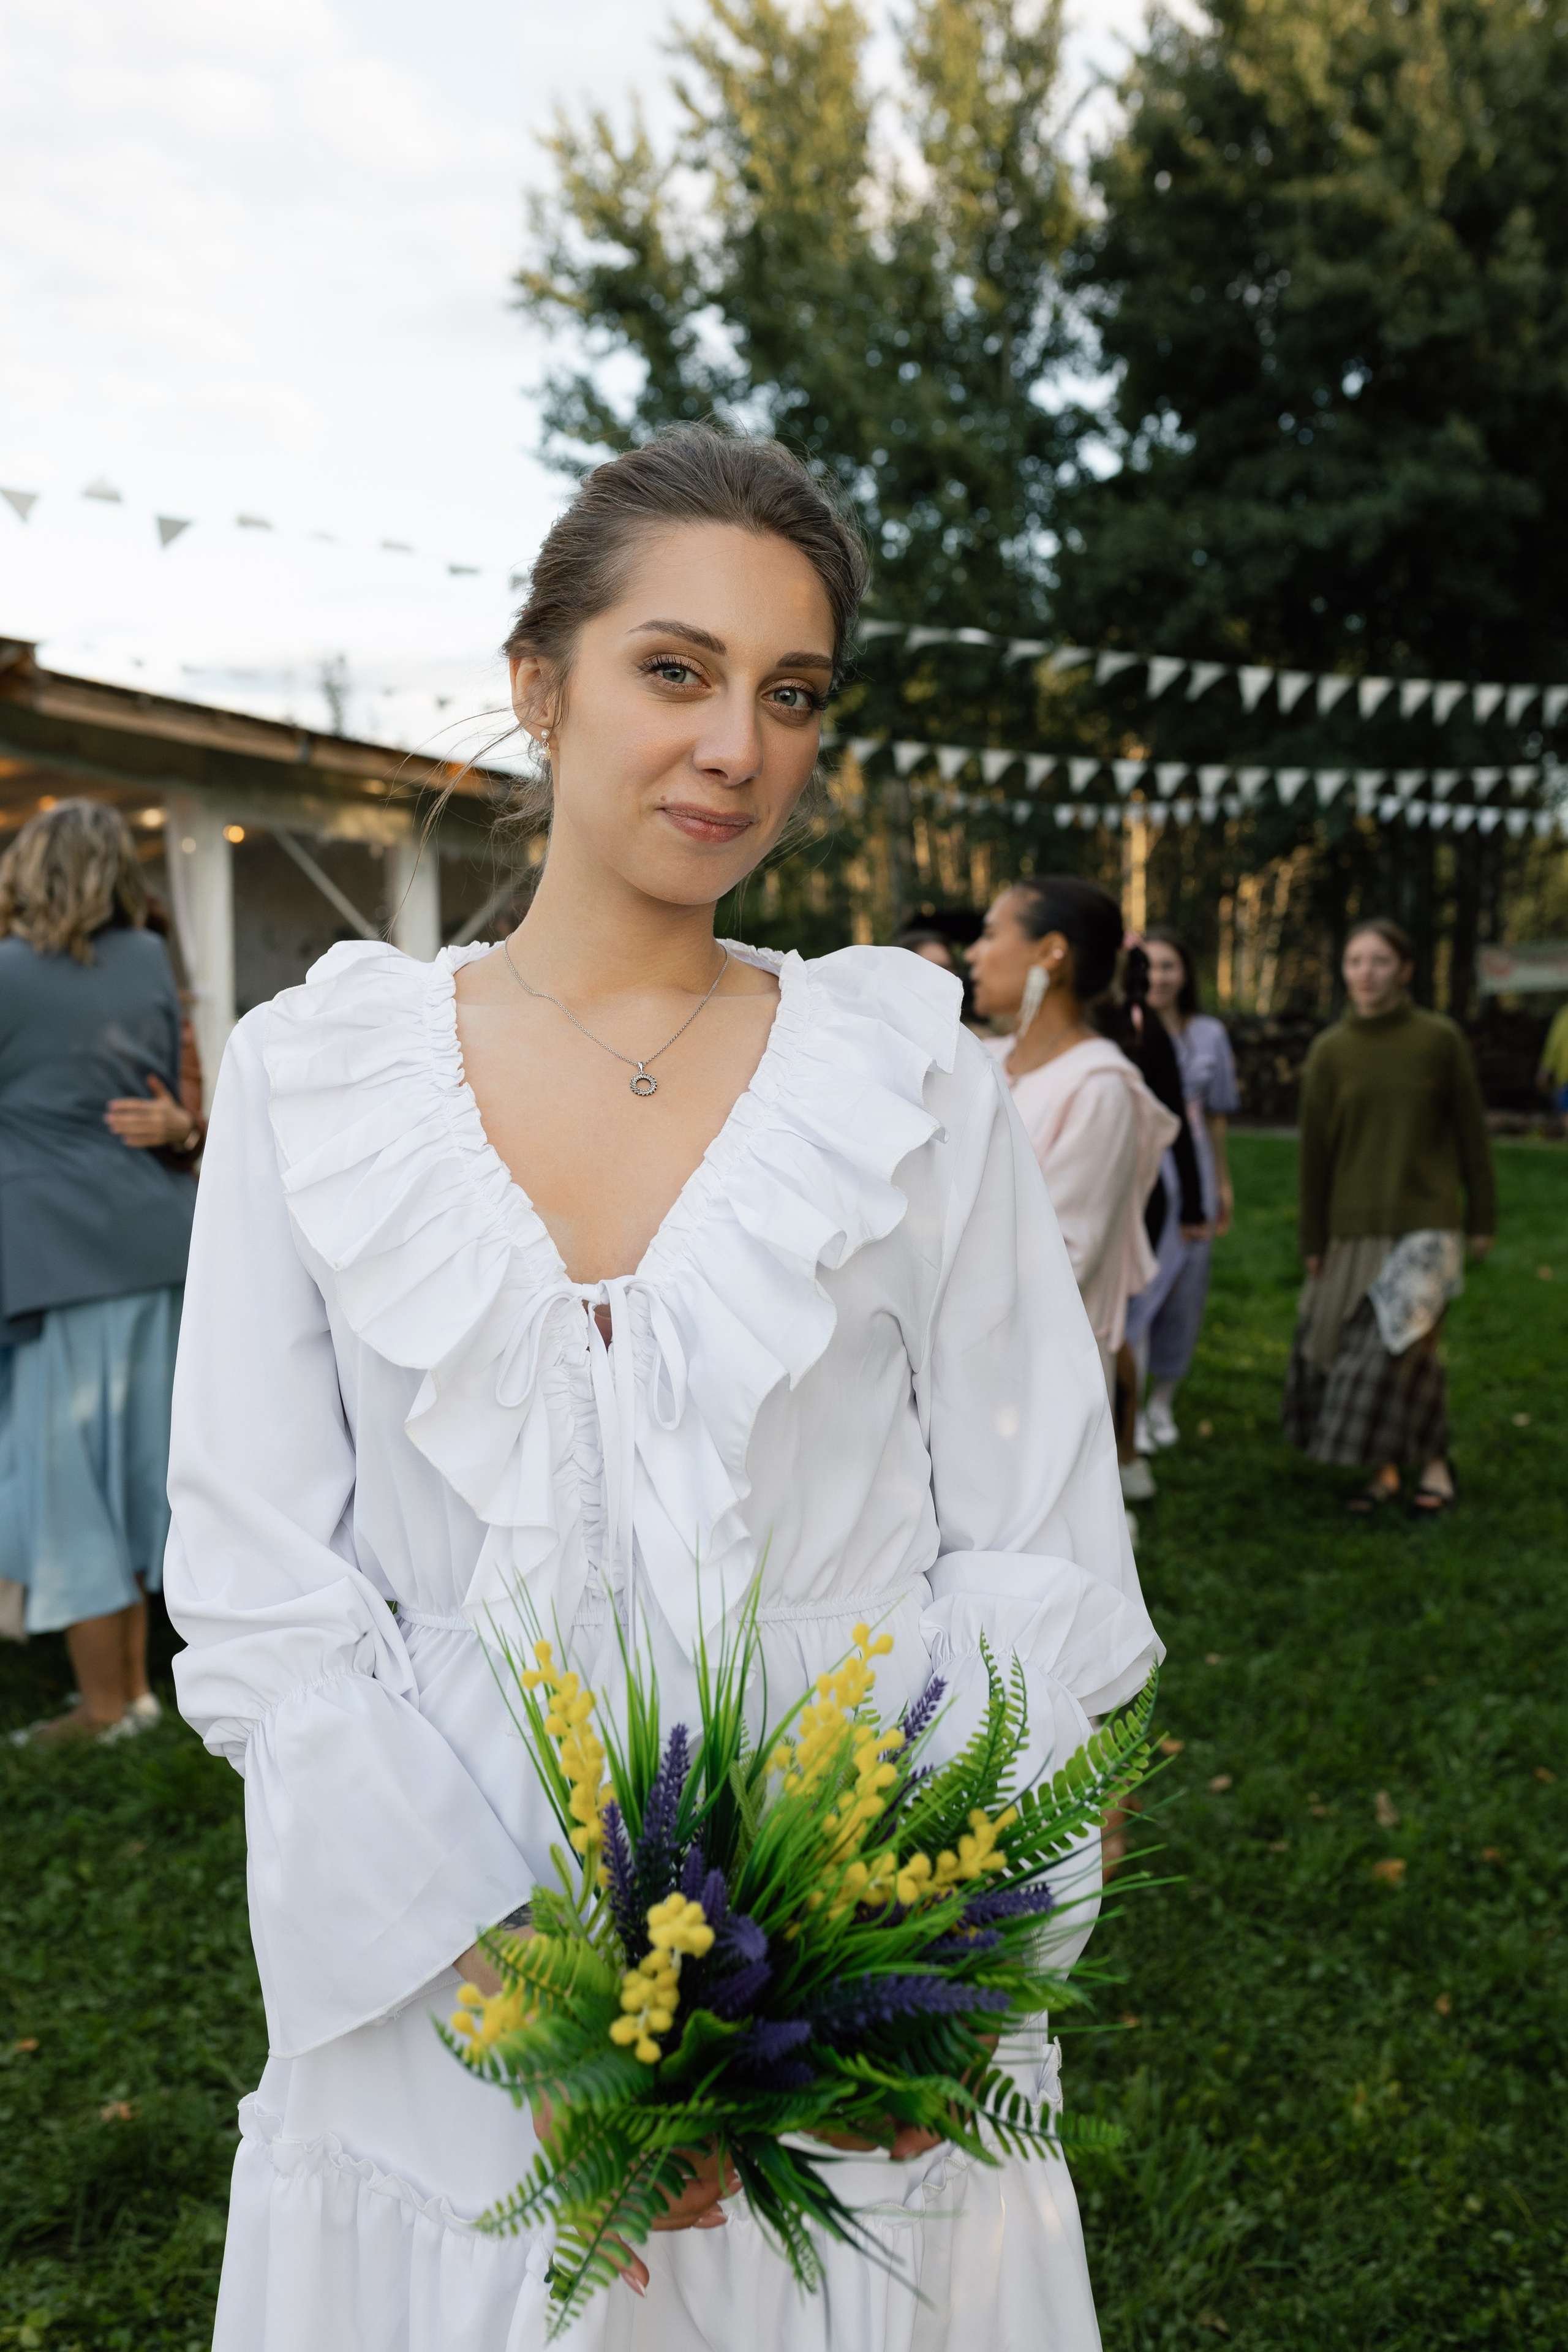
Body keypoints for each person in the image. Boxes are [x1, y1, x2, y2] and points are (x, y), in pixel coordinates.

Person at [164, 427, 1161, 2352]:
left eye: (792, 694)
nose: (736, 748)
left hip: (849, 2005)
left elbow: (1033, 1543)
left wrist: (898, 1963)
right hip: (442, 1981)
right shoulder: (316, 1078)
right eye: (676, 670)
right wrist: (530, 2001)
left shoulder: (908, 1082)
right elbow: (265, 1587)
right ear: (539, 683)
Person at [0, 801, 199, 1741]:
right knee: (141, 1477)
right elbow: (162, 1093)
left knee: (72, 1484)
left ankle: (108, 1705)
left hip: (60, 1259)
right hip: (159, 1247)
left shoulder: (7, 974)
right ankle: (140, 1696)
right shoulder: (150, 962)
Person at [1282, 917, 1495, 1517]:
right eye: (1355, 961)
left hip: (1425, 1223)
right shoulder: (1330, 1051)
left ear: (1404, 970)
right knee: (1344, 1349)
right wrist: (1313, 1238)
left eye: (1379, 961)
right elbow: (1314, 1154)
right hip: (1350, 1227)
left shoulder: (1439, 1040)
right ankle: (1385, 1471)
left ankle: (1434, 1465)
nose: (1366, 973)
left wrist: (1482, 1217)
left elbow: (1471, 1134)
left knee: (1398, 1350)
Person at [967, 878, 1179, 1412]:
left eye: (990, 935)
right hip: (959, 1363)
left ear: (1051, 953)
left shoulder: (1097, 1088)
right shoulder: (982, 1060)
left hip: (1038, 1382)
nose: (973, 954)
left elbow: (1063, 1260)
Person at [1095, 940, 1205, 1501]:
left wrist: (1195, 1203)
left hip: (1133, 1193)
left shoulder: (1140, 1027)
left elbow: (1174, 1116)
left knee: (1117, 1326)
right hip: (1083, 1188)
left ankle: (1127, 1450)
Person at [1136, 930, 1239, 1448]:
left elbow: (1217, 1116)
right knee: (1139, 1287)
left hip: (1193, 1169)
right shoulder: (1126, 1028)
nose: (1158, 977)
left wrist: (1222, 1181)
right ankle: (1128, 1406)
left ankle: (1162, 1402)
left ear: (1185, 974)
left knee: (1186, 1288)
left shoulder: (1209, 1034)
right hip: (1143, 1169)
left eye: (1168, 966)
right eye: (1149, 967)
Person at [1536, 997, 1568, 1135]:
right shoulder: (1564, 1015)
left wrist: (1545, 1070)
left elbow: (1553, 1046)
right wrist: (1545, 1069)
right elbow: (1554, 1046)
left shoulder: (1564, 1015)